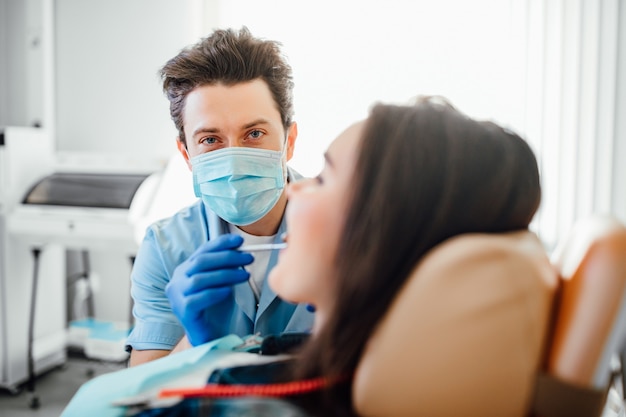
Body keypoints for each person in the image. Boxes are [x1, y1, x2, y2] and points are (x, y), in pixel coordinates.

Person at [63, 96, 542, 417]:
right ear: (186, 151)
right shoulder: (167, 242)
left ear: (384, 234)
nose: (296, 192)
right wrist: (203, 345)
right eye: (210, 139)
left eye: (324, 179)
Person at [125, 27, 314, 367]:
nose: (234, 158)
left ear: (290, 141)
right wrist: (192, 343)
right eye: (210, 140)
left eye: (254, 133)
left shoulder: (350, 230)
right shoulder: (166, 249)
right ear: (187, 155)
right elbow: (138, 391)